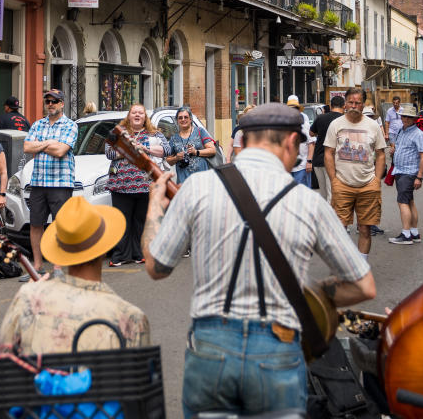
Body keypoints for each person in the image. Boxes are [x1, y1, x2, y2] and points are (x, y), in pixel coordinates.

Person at [143, 103, 376, 417]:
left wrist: (154, 207)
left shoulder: (198, 187)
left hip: (211, 346)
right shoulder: (308, 202)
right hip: (278, 346)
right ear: (292, 142)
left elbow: (157, 266)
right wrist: (314, 295)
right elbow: (363, 285)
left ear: (245, 139)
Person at [0, 195, 150, 352]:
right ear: (103, 250)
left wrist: (32, 293)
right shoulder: (131, 318)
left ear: (60, 250)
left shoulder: (28, 299)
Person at [324, 87, 387, 257]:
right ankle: (343, 265)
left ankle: (361, 266)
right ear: (345, 103)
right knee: (339, 228)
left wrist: (377, 180)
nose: (353, 105)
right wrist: (334, 180)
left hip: (367, 185)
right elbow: (328, 153)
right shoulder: (335, 124)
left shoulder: (373, 126)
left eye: (357, 103)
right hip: (342, 184)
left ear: (363, 105)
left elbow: (381, 154)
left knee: (365, 229)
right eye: (350, 102)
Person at [22, 89, 79, 277]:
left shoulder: (70, 125)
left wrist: (41, 144)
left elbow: (62, 150)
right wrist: (49, 143)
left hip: (61, 183)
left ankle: (57, 267)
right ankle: (37, 266)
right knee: (36, 224)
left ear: (62, 103)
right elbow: (27, 147)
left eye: (54, 101)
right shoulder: (38, 124)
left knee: (59, 225)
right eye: (47, 101)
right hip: (39, 182)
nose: (50, 104)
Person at [104, 104, 166, 266]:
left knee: (141, 221)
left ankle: (140, 254)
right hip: (120, 185)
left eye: (141, 113)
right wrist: (129, 149)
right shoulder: (118, 133)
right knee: (121, 222)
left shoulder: (154, 134)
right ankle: (120, 255)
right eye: (134, 112)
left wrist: (144, 147)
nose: (137, 115)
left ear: (145, 117)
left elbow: (166, 149)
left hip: (145, 185)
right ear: (129, 115)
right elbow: (109, 153)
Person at [388, 105, 423, 245]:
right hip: (400, 171)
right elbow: (400, 147)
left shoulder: (418, 134)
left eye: (408, 117)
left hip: (408, 172)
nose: (405, 119)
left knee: (402, 202)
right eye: (403, 116)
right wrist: (394, 151)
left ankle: (406, 235)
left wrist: (419, 177)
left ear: (414, 119)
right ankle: (414, 232)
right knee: (409, 201)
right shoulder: (402, 130)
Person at [164, 106, 216, 185]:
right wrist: (176, 158)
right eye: (180, 118)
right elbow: (168, 161)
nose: (183, 120)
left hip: (201, 180)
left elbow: (212, 150)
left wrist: (196, 152)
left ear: (190, 119)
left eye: (186, 117)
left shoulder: (199, 131)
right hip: (183, 182)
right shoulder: (174, 138)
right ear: (177, 121)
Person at [309, 96, 343, 200]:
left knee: (323, 193)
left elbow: (311, 133)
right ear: (344, 106)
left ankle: (323, 214)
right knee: (332, 193)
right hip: (335, 160)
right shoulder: (344, 119)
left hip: (318, 159)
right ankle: (330, 215)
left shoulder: (321, 118)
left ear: (331, 105)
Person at [285, 95, 314, 187]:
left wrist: (309, 161)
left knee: (303, 194)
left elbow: (311, 143)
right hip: (287, 167)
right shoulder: (282, 124)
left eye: (295, 108)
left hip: (302, 166)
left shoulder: (305, 124)